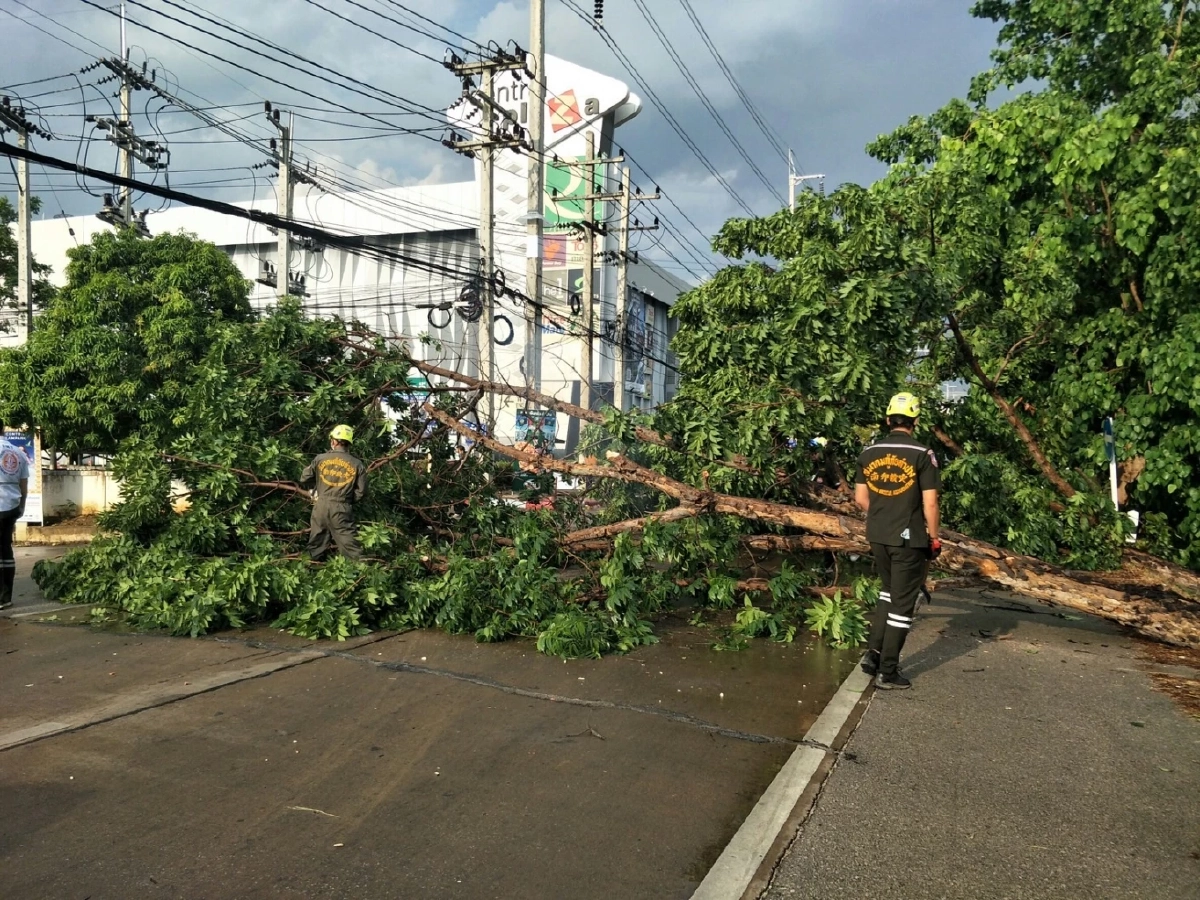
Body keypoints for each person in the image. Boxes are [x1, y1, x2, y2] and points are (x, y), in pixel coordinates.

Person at [854, 393, 942, 690]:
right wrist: (934, 537)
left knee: (888, 594)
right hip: (909, 538)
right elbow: (930, 503)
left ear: (888, 419)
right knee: (903, 605)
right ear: (915, 421)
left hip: (878, 534)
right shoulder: (922, 454)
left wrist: (884, 514)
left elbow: (860, 498)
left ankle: (873, 655)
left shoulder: (868, 452)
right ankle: (887, 671)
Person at [301, 424, 367, 562]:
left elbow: (304, 478)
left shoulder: (320, 458)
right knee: (351, 549)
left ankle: (310, 573)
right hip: (342, 508)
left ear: (334, 441)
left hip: (321, 506)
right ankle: (361, 576)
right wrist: (345, 500)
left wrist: (316, 490)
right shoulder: (357, 464)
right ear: (348, 443)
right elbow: (361, 492)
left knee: (316, 545)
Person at [0, 423, 30, 610]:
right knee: (5, 549)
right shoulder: (17, 453)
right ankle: (6, 596)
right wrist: (21, 507)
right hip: (12, 506)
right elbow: (24, 485)